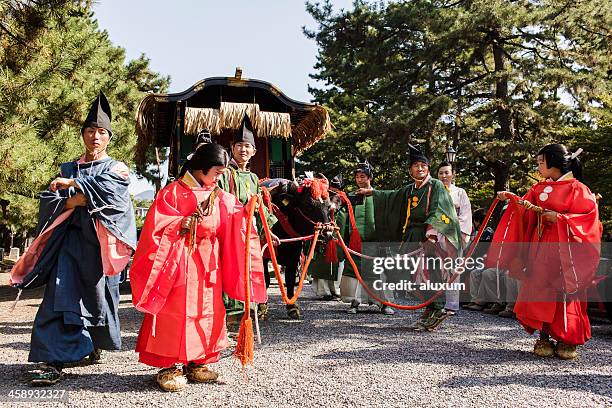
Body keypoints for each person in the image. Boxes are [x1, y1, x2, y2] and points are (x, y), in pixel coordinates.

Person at [10, 92, 137, 386]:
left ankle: (90, 345)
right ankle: (51, 361)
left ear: (109, 138)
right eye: (90, 131)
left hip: (100, 248)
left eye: (102, 132)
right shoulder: (67, 166)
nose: (95, 137)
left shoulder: (117, 168)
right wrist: (72, 200)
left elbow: (115, 196)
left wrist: (75, 186)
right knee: (58, 298)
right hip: (68, 246)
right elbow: (50, 199)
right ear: (82, 135)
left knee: (98, 300)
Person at [130, 142, 267, 392]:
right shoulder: (171, 193)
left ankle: (198, 361)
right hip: (178, 262)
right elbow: (156, 227)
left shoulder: (222, 197)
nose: (219, 177)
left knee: (208, 311)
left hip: (208, 263)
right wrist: (182, 222)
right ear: (201, 168)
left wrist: (247, 212)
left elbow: (235, 220)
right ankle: (170, 365)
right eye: (216, 172)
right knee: (175, 312)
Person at [492, 144, 601, 359]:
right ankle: (544, 336)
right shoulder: (538, 188)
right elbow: (525, 208)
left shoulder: (578, 189)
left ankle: (567, 338)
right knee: (540, 286)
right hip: (541, 247)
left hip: (568, 249)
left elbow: (588, 218)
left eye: (541, 162)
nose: (538, 166)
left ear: (554, 162)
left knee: (565, 289)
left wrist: (561, 218)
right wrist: (513, 199)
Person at [359, 145, 462, 330]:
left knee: (431, 274)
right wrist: (371, 192)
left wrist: (431, 236)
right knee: (411, 275)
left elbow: (439, 210)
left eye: (423, 165)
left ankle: (437, 308)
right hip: (412, 236)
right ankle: (429, 308)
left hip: (430, 236)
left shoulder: (435, 185)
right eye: (416, 165)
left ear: (428, 168)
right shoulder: (410, 189)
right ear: (410, 170)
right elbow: (392, 196)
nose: (420, 168)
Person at [216, 115, 279, 322]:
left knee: (249, 270)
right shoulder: (224, 174)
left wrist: (268, 231)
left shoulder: (253, 178)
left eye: (247, 146)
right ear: (231, 148)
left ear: (254, 151)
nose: (243, 150)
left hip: (249, 234)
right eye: (239, 145)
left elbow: (259, 207)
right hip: (230, 231)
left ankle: (246, 313)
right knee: (231, 270)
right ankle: (230, 316)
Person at [340, 161, 394, 315]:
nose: (359, 180)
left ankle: (384, 303)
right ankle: (355, 302)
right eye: (357, 177)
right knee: (355, 271)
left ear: (370, 177)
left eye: (362, 176)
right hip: (355, 242)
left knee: (378, 272)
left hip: (375, 241)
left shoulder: (379, 196)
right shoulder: (350, 197)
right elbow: (342, 216)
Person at [437, 161, 472, 313]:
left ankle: (451, 304)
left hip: (455, 234)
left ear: (453, 174)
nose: (444, 176)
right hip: (437, 232)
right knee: (435, 269)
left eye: (447, 172)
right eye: (441, 173)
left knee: (453, 270)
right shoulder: (434, 191)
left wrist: (462, 234)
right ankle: (435, 303)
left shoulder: (460, 192)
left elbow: (465, 214)